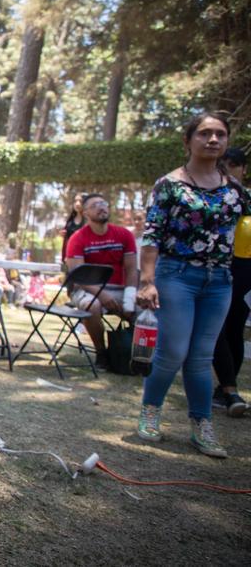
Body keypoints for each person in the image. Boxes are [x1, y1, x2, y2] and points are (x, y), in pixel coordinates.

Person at [136, 112, 247, 459]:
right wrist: (147, 281)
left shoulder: (236, 191)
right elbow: (152, 235)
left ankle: (202, 425)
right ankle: (150, 412)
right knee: (173, 352)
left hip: (220, 280)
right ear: (188, 141)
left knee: (202, 357)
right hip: (176, 275)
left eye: (220, 134)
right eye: (204, 134)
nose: (213, 140)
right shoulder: (169, 185)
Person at [64, 193, 138, 369]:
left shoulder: (124, 235)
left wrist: (129, 301)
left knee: (146, 310)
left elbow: (132, 269)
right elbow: (78, 275)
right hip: (87, 289)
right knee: (92, 305)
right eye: (95, 205)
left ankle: (139, 358)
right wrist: (102, 295)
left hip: (120, 289)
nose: (101, 207)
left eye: (104, 203)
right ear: (86, 213)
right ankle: (101, 353)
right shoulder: (77, 238)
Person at [213, 147, 250, 416]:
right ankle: (228, 389)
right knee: (216, 328)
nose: (228, 170)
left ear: (243, 169)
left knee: (234, 327)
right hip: (220, 265)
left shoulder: (244, 197)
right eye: (223, 165)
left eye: (233, 165)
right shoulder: (214, 197)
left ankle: (227, 388)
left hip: (245, 268)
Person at [60, 193, 86, 263]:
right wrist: (64, 234)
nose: (77, 204)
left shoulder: (89, 221)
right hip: (69, 257)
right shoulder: (70, 221)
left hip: (84, 258)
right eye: (75, 201)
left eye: (80, 201)